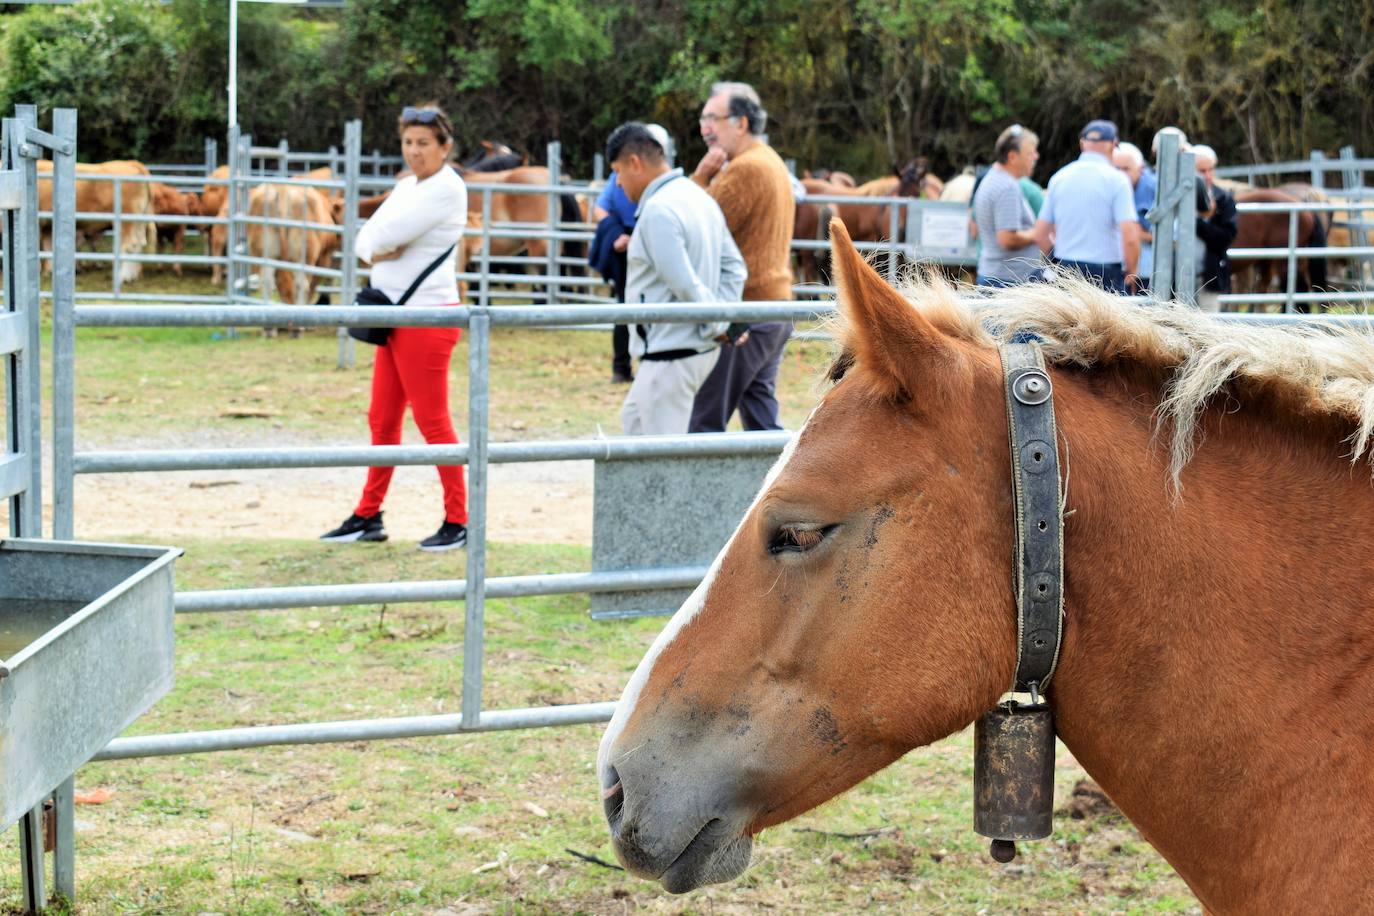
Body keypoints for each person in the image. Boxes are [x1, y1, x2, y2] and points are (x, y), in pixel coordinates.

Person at [321, 104, 470, 551]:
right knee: (382, 419)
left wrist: (374, 243)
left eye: (424, 143)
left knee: (432, 421)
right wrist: (372, 245)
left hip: (427, 317)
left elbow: (379, 238)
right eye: (408, 142)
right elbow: (367, 240)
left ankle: (459, 519)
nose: (414, 151)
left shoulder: (446, 189)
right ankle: (368, 514)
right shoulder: (409, 186)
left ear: (445, 147)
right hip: (395, 316)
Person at [607, 122, 747, 435]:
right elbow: (735, 267)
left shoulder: (659, 209)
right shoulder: (699, 198)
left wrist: (720, 323)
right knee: (633, 424)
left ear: (635, 163)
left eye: (618, 171)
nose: (617, 182)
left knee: (662, 453)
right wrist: (723, 317)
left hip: (670, 352)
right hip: (690, 350)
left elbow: (683, 283)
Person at [687, 82, 794, 433]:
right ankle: (785, 490)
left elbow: (696, 230)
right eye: (702, 118)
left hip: (746, 313)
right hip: (774, 309)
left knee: (703, 419)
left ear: (741, 122)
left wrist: (701, 178)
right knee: (761, 417)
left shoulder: (745, 169)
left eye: (712, 118)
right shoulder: (769, 160)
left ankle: (698, 489)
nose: (704, 128)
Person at [589, 125, 672, 384]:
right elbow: (599, 209)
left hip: (654, 247)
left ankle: (648, 363)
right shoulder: (619, 178)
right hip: (626, 248)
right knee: (625, 306)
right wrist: (616, 235)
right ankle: (622, 366)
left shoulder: (667, 191)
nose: (619, 180)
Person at [1034, 119, 1140, 294]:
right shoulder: (1117, 180)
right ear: (1113, 145)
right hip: (1105, 272)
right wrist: (1132, 271)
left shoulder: (1059, 177)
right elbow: (1129, 236)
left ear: (1082, 144)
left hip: (1066, 268)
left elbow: (1041, 234)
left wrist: (1051, 263)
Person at [972, 124, 1042, 286]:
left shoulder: (993, 179)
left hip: (997, 276)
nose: (1036, 157)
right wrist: (1037, 233)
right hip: (1007, 282)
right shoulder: (1006, 187)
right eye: (1030, 153)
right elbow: (1007, 239)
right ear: (1012, 157)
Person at [1191, 144, 1238, 311]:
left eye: (1211, 169)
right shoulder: (1178, 196)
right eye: (1202, 171)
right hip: (1178, 276)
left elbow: (1226, 237)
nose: (1208, 175)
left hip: (1207, 276)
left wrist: (1195, 224)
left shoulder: (1223, 198)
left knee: (1207, 327)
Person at [1113, 141, 1154, 291]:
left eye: (1126, 169)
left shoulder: (1154, 190)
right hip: (1117, 269)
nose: (1122, 174)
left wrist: (1138, 233)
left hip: (1146, 272)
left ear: (1140, 169)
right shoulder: (1111, 189)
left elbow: (1172, 236)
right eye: (1117, 168)